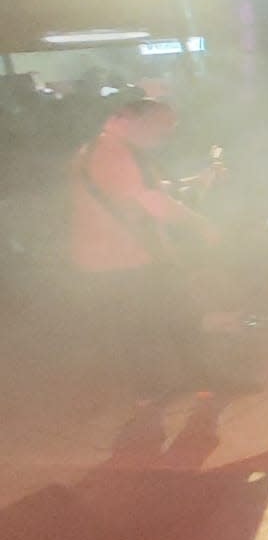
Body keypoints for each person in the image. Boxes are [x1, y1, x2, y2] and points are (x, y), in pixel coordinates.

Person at [69, 98, 220, 392]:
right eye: (162, 127)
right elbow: (152, 202)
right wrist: (201, 224)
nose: (166, 135)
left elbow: (143, 189)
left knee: (144, 329)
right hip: (122, 258)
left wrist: (196, 181)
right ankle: (197, 384)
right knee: (176, 320)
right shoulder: (111, 154)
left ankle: (156, 392)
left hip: (116, 258)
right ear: (133, 120)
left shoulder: (105, 149)